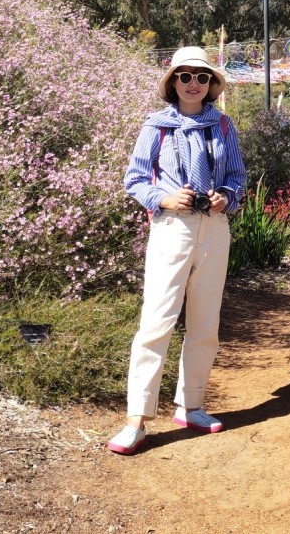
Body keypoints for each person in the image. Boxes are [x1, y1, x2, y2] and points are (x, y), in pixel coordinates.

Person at [108, 46, 247, 455]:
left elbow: (237, 176)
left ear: (210, 85)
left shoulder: (222, 125)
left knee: (205, 321)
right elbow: (134, 178)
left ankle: (192, 405)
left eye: (201, 77)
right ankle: (137, 419)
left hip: (214, 228)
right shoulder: (157, 125)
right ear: (173, 82)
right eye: (184, 76)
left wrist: (226, 197)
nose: (193, 83)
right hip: (172, 228)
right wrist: (164, 198)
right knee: (157, 321)